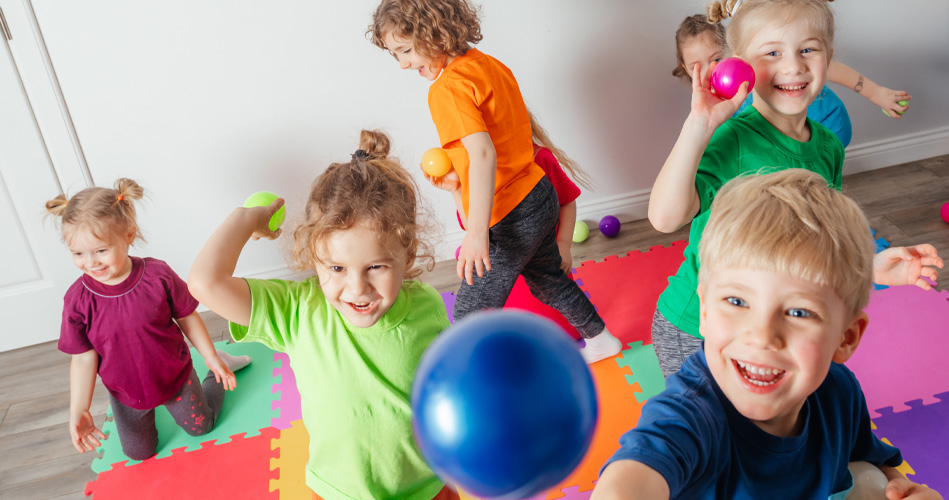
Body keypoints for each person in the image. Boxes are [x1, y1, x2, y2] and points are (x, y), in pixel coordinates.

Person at [592, 169, 943, 500]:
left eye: (798, 312)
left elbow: (867, 456)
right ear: (703, 311)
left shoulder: (839, 391)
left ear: (846, 338)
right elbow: (634, 475)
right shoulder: (693, 415)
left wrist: (903, 487)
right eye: (736, 300)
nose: (761, 336)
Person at [649, 0, 943, 376]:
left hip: (770, 326)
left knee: (763, 426)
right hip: (698, 327)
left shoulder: (828, 147)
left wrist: (870, 268)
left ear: (828, 56)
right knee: (710, 430)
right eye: (772, 52)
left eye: (808, 49)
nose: (793, 66)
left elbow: (824, 239)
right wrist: (698, 127)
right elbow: (664, 218)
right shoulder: (732, 140)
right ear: (739, 65)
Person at [188, 130, 458, 500]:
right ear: (313, 258)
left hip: (425, 487)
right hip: (338, 492)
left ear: (407, 256)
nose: (357, 288)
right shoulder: (296, 311)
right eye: (336, 268)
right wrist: (247, 218)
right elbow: (206, 282)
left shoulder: (426, 303)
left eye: (376, 266)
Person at [368, 0, 622, 363]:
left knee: (469, 311)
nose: (404, 63)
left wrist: (475, 233)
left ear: (434, 32)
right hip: (538, 194)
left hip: (509, 216)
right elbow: (499, 145)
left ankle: (469, 375)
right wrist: (458, 186)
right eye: (396, 55)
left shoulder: (447, 89)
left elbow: (484, 155)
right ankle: (602, 340)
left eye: (406, 50)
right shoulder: (488, 65)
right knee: (549, 281)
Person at [47, 178, 251, 461]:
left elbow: (187, 317)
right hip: (126, 394)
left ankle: (221, 366)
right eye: (78, 253)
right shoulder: (77, 300)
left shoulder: (158, 276)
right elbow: (82, 358)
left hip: (175, 379)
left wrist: (211, 358)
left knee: (203, 427)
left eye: (101, 251)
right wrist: (79, 409)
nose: (90, 262)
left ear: (129, 235)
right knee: (138, 454)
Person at [671, 11, 913, 148]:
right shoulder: (713, 111)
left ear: (733, 56)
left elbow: (827, 67)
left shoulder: (756, 69)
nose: (709, 71)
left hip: (827, 123)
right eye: (696, 67)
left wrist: (874, 92)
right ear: (685, 68)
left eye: (715, 59)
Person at [451, 111, 594, 274]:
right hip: (505, 270)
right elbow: (471, 227)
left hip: (546, 262)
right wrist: (456, 190)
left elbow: (567, 201)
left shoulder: (540, 158)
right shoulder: (476, 175)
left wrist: (564, 244)